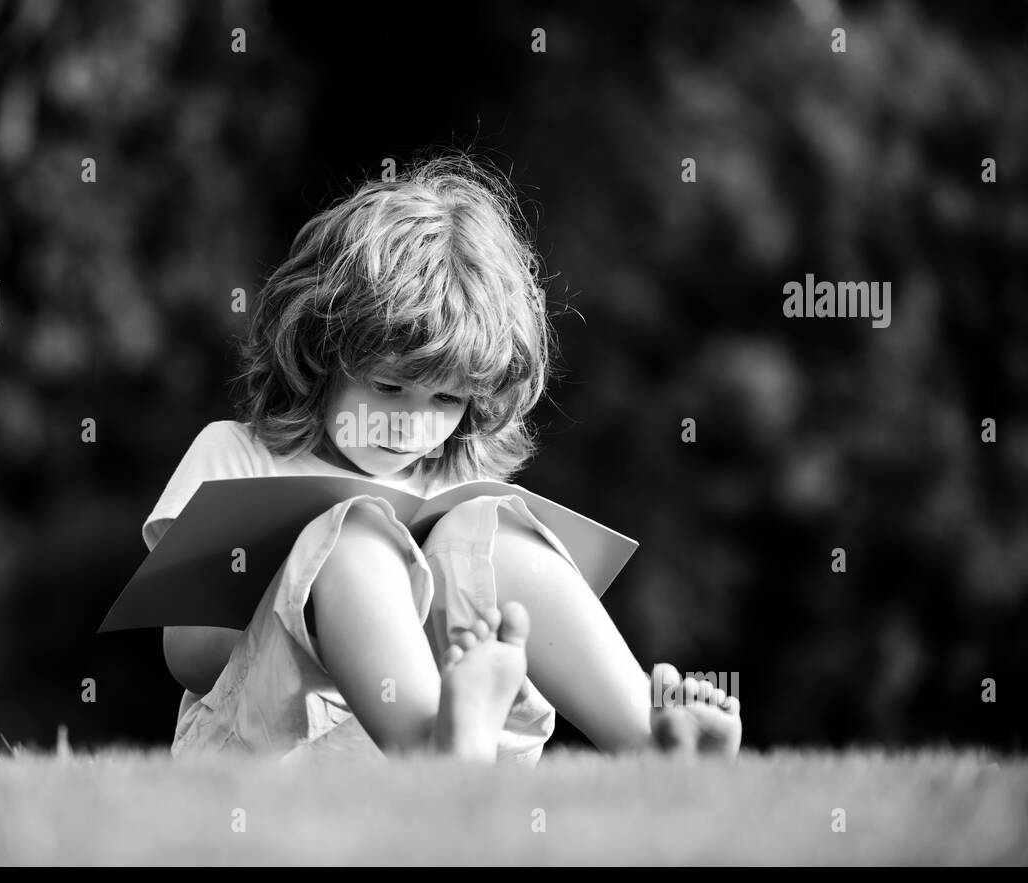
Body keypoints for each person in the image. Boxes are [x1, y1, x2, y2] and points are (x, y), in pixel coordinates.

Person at [143, 151, 741, 764]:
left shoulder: (451, 483)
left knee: (491, 534)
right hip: (267, 755)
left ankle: (651, 739)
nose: (412, 422)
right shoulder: (236, 453)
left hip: (411, 770)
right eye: (388, 386)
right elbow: (189, 659)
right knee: (353, 534)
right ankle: (434, 742)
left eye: (446, 397)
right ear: (322, 354)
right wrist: (292, 583)